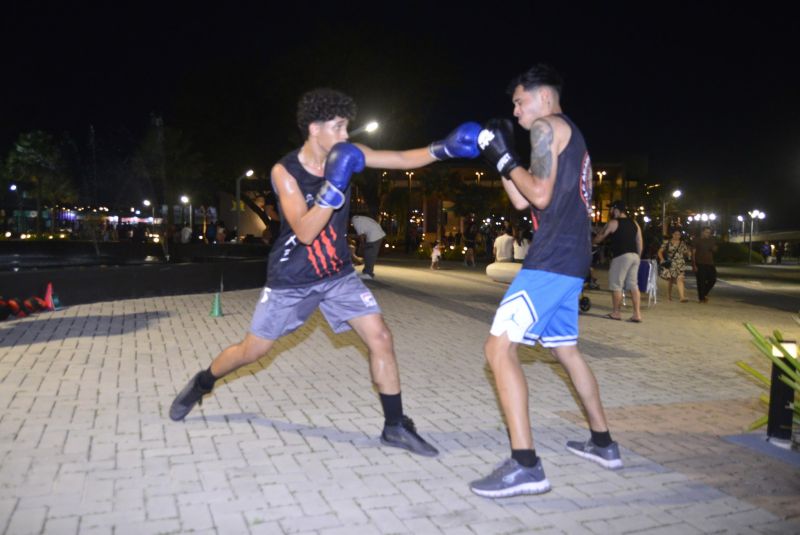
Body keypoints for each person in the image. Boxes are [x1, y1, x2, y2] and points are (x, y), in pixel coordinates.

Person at [169, 87, 481, 458]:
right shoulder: (285, 171)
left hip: (337, 274)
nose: (347, 136)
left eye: (347, 128)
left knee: (380, 336)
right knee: (253, 350)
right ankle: (202, 382)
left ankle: (394, 426)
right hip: (292, 278)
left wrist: (442, 148)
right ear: (315, 128)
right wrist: (333, 187)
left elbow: (399, 157)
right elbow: (304, 230)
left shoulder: (347, 154)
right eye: (338, 127)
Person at [469, 64, 622, 499]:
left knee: (497, 348)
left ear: (543, 96)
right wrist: (499, 160)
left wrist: (505, 157)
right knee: (566, 350)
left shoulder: (546, 125)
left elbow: (538, 194)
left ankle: (525, 466)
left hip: (552, 258)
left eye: (519, 101)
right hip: (569, 256)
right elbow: (521, 198)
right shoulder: (566, 131)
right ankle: (603, 443)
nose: (516, 112)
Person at [593, 200, 643, 322]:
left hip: (621, 256)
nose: (610, 211)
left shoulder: (614, 222)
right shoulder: (634, 223)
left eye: (611, 209)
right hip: (634, 256)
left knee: (616, 285)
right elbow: (639, 242)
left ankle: (616, 312)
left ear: (616, 209)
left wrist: (593, 241)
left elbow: (600, 237)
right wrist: (638, 256)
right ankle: (637, 314)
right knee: (633, 285)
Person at [657, 227, 692, 302]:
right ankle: (669, 295)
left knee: (680, 279)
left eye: (679, 234)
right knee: (671, 280)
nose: (677, 236)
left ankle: (682, 297)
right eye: (675, 234)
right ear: (672, 235)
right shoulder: (667, 242)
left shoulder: (682, 243)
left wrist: (688, 253)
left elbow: (685, 252)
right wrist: (662, 259)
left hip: (680, 263)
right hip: (671, 263)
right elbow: (660, 251)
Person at [351, 214, 386, 280]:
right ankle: (366, 271)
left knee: (370, 255)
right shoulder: (359, 218)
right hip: (377, 234)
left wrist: (362, 245)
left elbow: (361, 236)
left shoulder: (355, 221)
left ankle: (368, 274)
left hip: (375, 236)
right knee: (368, 254)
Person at [692, 226, 718, 303]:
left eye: (709, 232)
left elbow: (715, 249)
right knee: (701, 281)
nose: (708, 234)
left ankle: (704, 294)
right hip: (700, 263)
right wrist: (694, 265)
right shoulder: (697, 240)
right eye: (706, 232)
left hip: (710, 263)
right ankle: (701, 298)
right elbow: (693, 253)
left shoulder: (711, 240)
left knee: (713, 279)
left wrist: (715, 248)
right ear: (702, 232)